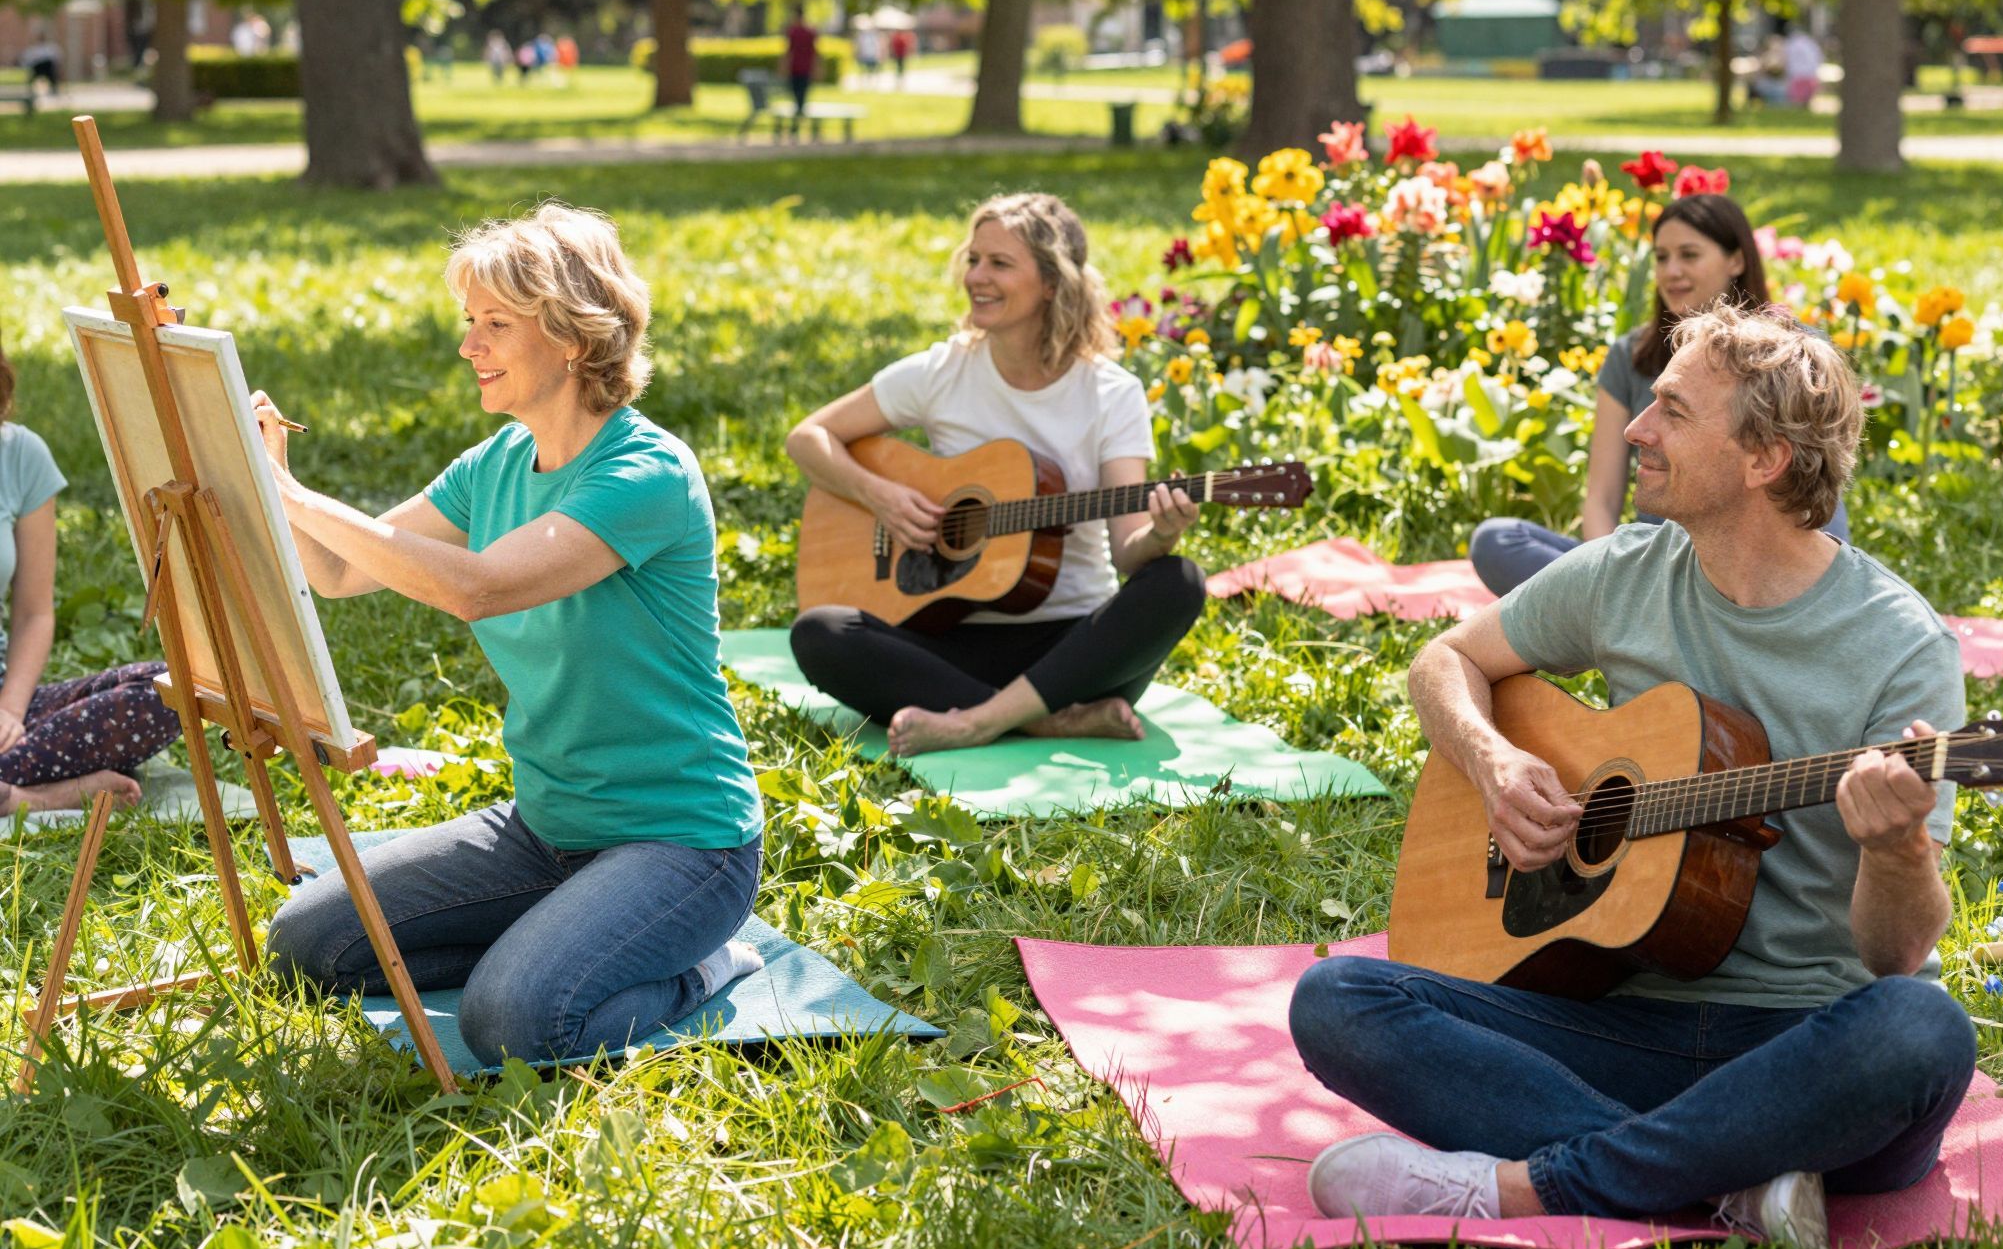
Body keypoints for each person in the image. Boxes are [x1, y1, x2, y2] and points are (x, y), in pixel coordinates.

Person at [1290, 304, 1973, 1249]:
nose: (1636, 432)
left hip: (1806, 1050)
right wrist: (1495, 763)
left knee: (1922, 1031)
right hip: (1620, 1022)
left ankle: (1535, 1184)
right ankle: (1729, 1179)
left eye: (1673, 413)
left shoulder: (1902, 649)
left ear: (1765, 457)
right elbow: (1443, 661)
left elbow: (1892, 957)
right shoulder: (1626, 571)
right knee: (1338, 1001)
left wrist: (1895, 848)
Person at [262, 203, 765, 1066]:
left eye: (495, 324)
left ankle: (700, 964)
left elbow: (480, 590)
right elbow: (340, 575)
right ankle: (562, 941)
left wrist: (295, 497)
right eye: (470, 322)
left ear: (572, 337)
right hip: (545, 829)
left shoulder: (646, 473)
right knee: (309, 944)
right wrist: (263, 471)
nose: (469, 347)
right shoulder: (495, 464)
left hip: (683, 842)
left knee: (519, 1025)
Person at [786, 192, 1208, 758]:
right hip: (950, 642)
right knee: (819, 633)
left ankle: (973, 721)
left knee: (1177, 581)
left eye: (1000, 263)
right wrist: (880, 495)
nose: (976, 277)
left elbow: (1130, 553)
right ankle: (1041, 723)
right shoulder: (944, 370)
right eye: (974, 259)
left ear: (1053, 284)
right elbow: (808, 436)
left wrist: (1159, 535)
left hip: (1074, 651)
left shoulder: (1111, 394)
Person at [1468, 194, 1848, 596]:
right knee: (1498, 541)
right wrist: (1606, 573)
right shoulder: (1630, 358)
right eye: (1662, 257)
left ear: (1736, 260)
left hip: (1759, 567)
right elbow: (1602, 498)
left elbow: (1816, 492)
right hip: (1652, 572)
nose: (1672, 271)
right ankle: (1623, 614)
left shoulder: (1792, 355)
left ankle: (1643, 624)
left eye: (1689, 254)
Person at [0, 343, 183, 813]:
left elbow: (34, 614)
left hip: (8, 704)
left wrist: (10, 711)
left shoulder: (20, 455)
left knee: (175, 686)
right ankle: (28, 798)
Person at [782, 13, 819, 116]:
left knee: (798, 91)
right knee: (801, 92)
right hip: (802, 67)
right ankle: (799, 110)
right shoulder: (809, 32)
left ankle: (799, 111)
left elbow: (788, 51)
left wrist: (783, 66)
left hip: (799, 67)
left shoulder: (794, 32)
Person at [1784, 28, 1824, 108]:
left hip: (1797, 73)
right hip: (1808, 73)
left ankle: (1800, 106)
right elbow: (1818, 57)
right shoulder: (1811, 44)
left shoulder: (1792, 44)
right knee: (1805, 94)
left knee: (1798, 96)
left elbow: (1787, 58)